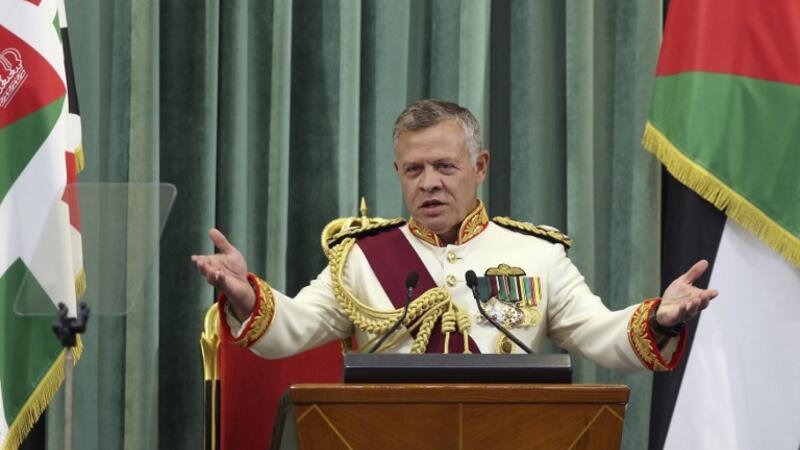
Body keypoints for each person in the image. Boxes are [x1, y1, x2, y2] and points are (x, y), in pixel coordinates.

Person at [192, 99, 718, 372]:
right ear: (398, 173)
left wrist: (660, 317)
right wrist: (244, 295)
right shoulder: (361, 259)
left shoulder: (535, 255)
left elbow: (601, 334)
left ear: (479, 166)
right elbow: (291, 330)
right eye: (414, 170)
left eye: (444, 166)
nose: (429, 183)